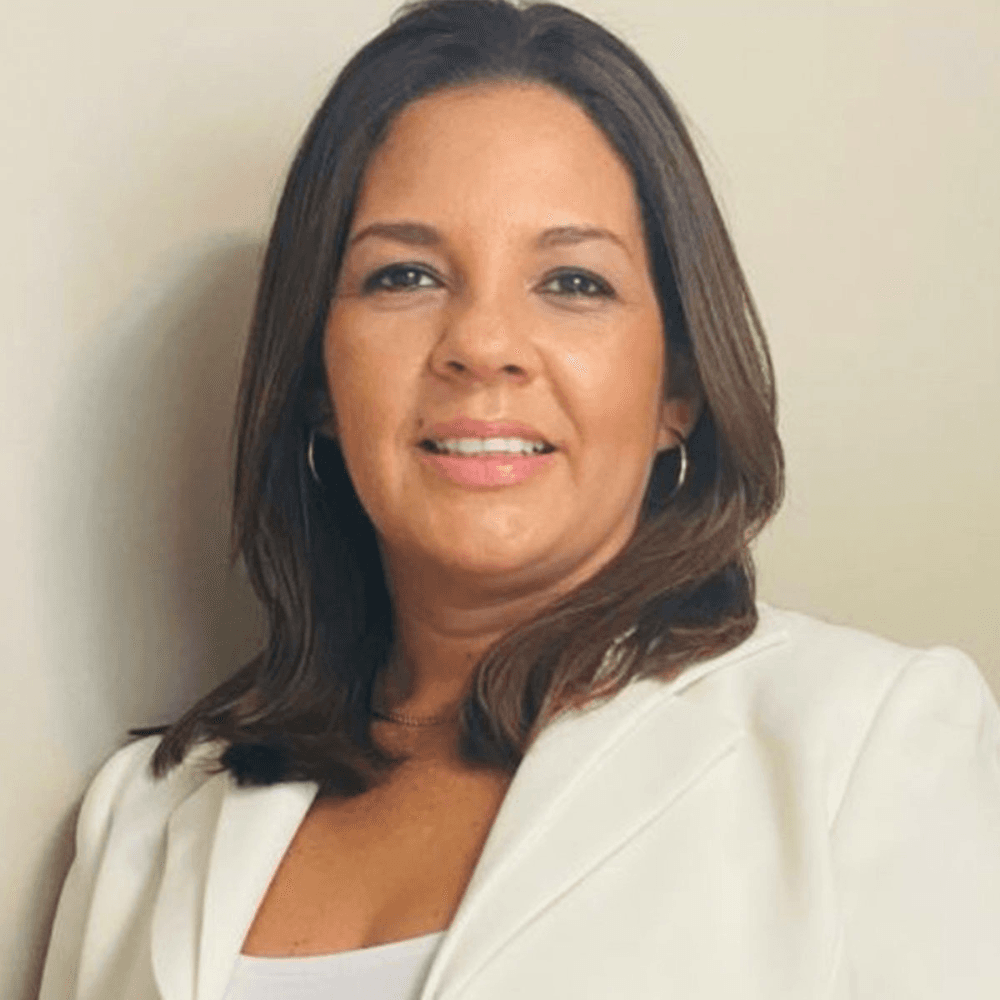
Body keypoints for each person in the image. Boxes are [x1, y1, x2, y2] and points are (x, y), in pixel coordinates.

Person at [38, 1, 1000, 998]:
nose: (482, 344)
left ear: (677, 385)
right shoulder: (146, 818)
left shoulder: (864, 746)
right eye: (405, 274)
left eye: (573, 282)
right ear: (319, 377)